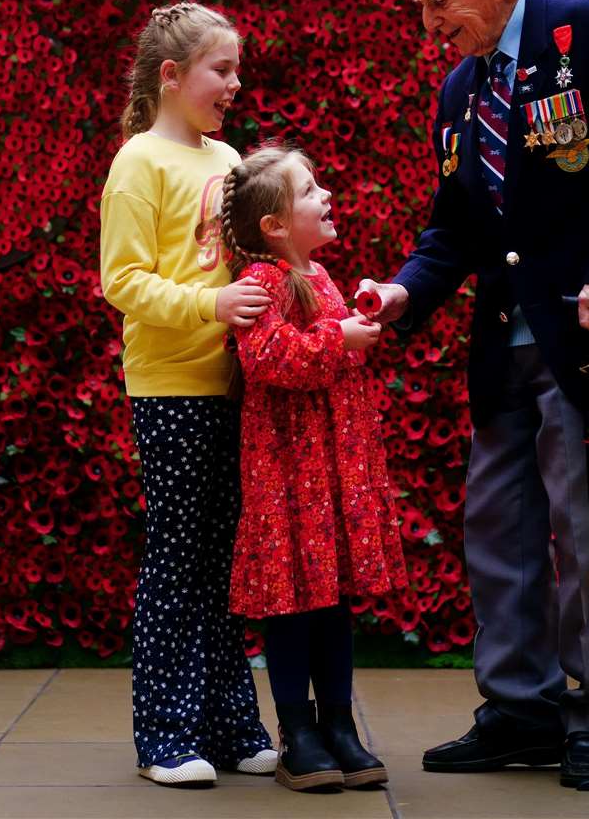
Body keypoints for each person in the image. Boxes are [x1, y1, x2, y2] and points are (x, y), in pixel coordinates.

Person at [356, 0, 589, 788]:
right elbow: (455, 228)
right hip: (503, 348)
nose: (429, 25)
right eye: (422, 8)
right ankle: (521, 711)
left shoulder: (586, 28)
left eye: (439, 2)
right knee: (496, 531)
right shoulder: (460, 91)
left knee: (586, 539)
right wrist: (405, 290)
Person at [99, 2, 278, 788]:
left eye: (237, 70)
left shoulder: (229, 158)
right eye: (221, 70)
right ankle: (164, 738)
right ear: (171, 77)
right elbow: (123, 281)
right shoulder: (139, 162)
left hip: (232, 387)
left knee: (220, 566)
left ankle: (233, 728)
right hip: (171, 390)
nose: (235, 84)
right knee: (176, 561)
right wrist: (209, 308)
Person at [219, 144, 407, 793]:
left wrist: (352, 324)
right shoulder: (260, 283)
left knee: (333, 604)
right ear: (274, 225)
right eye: (310, 189)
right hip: (286, 475)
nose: (325, 195)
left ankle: (339, 727)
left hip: (332, 472)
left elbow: (328, 360)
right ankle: (296, 734)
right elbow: (270, 358)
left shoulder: (321, 276)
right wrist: (341, 339)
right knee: (291, 605)